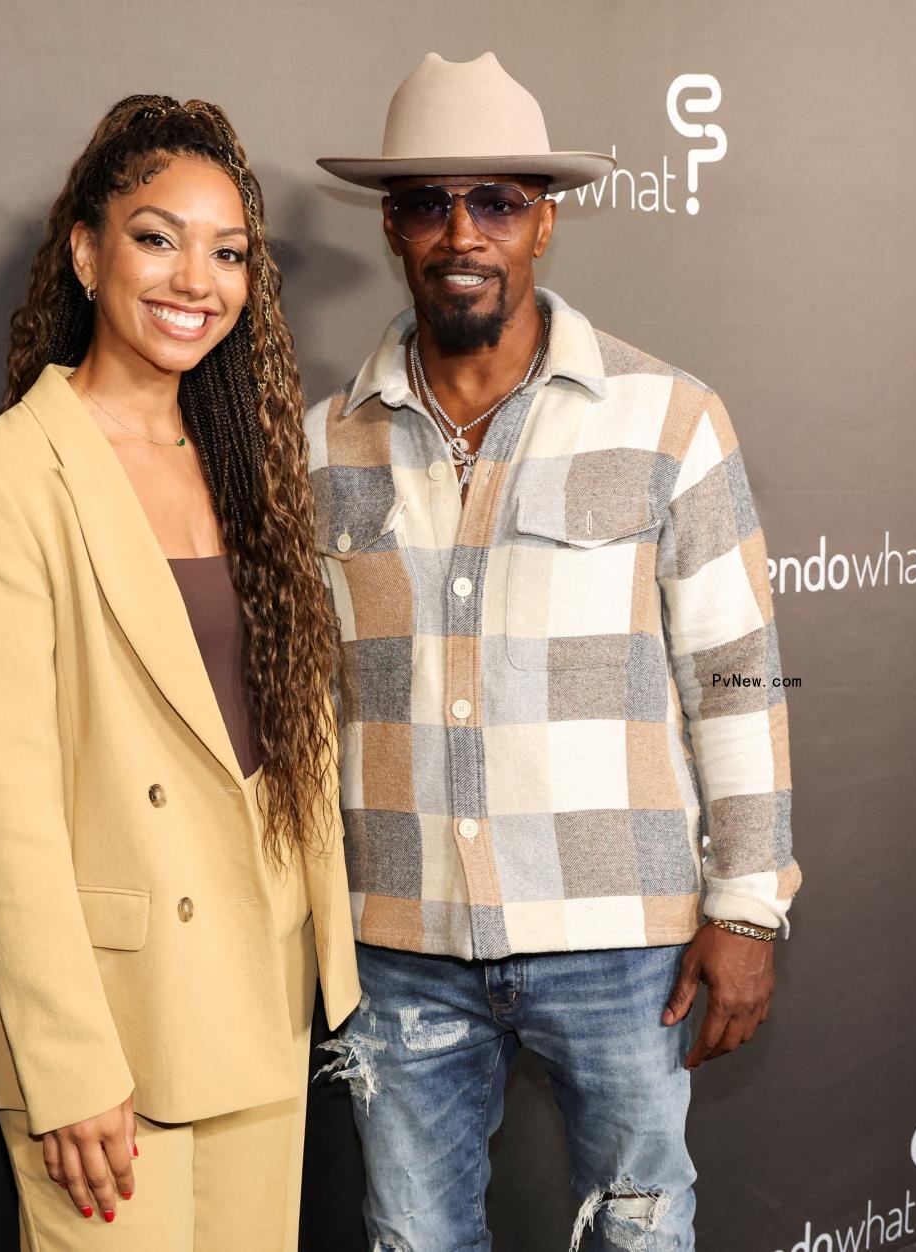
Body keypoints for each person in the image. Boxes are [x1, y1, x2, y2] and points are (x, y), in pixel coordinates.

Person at [306, 53, 801, 1250]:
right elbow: (306, 703)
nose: (461, 231)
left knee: (640, 1232)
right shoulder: (319, 445)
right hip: (398, 940)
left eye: (496, 200)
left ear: (545, 220)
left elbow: (736, 671)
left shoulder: (666, 415)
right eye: (428, 202)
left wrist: (747, 906)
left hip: (623, 942)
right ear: (391, 224)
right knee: (414, 1239)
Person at [0, 95, 357, 1251]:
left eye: (229, 254)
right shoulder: (0, 481)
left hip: (256, 996)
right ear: (85, 250)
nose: (194, 280)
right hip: (112, 1032)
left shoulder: (251, 465)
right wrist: (66, 1067)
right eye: (159, 237)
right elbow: (5, 811)